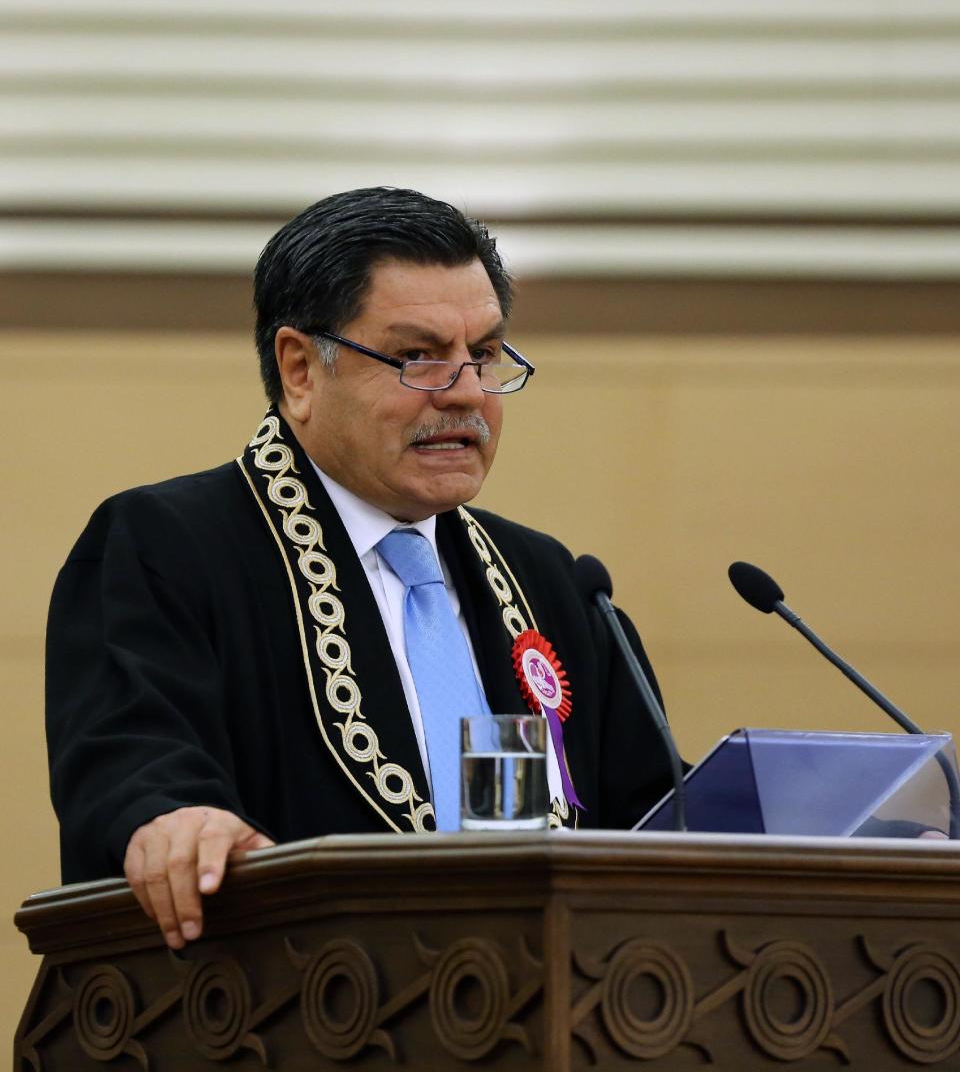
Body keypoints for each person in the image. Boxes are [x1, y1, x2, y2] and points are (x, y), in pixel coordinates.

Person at [45, 187, 673, 951]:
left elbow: (662, 821)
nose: (468, 393)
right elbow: (132, 762)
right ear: (300, 369)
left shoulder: (550, 583)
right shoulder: (168, 547)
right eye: (417, 357)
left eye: (482, 354)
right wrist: (175, 820)